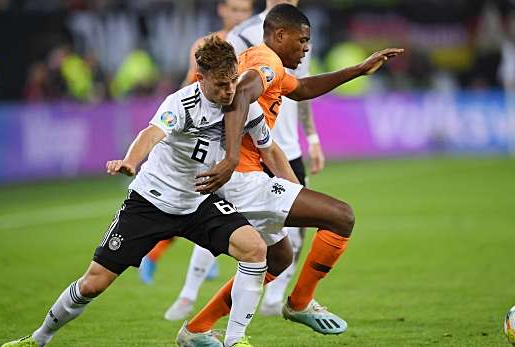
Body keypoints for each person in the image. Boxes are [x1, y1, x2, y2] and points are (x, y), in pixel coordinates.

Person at [1, 36, 282, 347]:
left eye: (233, 81)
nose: (229, 90)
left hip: (198, 202)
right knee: (93, 284)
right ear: (201, 79)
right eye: (220, 84)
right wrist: (131, 161)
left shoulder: (243, 103)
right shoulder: (182, 104)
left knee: (255, 249)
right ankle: (39, 339)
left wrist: (292, 188)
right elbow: (150, 134)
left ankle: (235, 340)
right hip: (151, 202)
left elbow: (269, 147)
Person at [177, 4, 402, 345]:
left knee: (279, 257)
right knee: (341, 217)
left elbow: (304, 89)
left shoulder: (270, 62)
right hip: (241, 179)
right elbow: (240, 96)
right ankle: (299, 303)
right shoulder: (266, 63)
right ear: (280, 36)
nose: (307, 48)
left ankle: (196, 329)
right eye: (302, 40)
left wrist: (358, 69)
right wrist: (232, 158)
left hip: (248, 174)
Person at [164, 0, 326, 321]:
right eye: (232, 8)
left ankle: (276, 298)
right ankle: (189, 294)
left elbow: (302, 89)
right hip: (252, 145)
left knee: (294, 226)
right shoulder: (246, 36)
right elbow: (226, 85)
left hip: (286, 146)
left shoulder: (299, 33)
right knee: (223, 220)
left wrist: (312, 137)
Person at [139, 0, 255, 291]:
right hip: (207, 133)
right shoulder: (204, 47)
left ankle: (199, 259)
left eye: (245, 11)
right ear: (222, 10)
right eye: (235, 10)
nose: (240, 16)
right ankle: (166, 260)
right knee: (195, 197)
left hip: (242, 130)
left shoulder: (252, 44)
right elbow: (193, 85)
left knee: (217, 201)